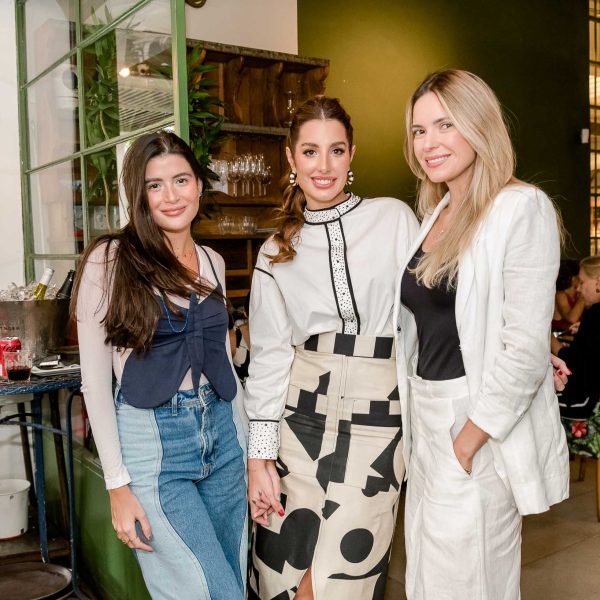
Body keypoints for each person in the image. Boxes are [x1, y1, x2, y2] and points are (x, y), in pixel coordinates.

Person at [395, 69, 570, 599]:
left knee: (472, 583)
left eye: (444, 124)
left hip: (473, 424)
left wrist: (470, 437)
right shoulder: (437, 211)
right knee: (429, 577)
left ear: (479, 124)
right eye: (419, 130)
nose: (429, 143)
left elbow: (521, 346)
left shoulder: (521, 208)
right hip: (425, 420)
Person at [244, 96, 419, 599]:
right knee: (283, 578)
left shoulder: (394, 219)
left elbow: (429, 313)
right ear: (291, 158)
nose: (324, 166)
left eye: (336, 151)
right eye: (311, 151)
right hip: (298, 425)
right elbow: (271, 360)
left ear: (352, 155)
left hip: (378, 429)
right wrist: (260, 461)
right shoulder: (275, 251)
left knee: (341, 581)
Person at [72, 131, 248, 600]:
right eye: (155, 185)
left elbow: (225, 364)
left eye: (181, 180)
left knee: (232, 576)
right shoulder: (109, 261)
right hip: (154, 445)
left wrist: (253, 452)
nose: (171, 196)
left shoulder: (212, 260)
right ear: (139, 194)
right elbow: (94, 382)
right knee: (212, 592)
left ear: (199, 186)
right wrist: (117, 487)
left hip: (224, 437)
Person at [554, 256, 600, 419]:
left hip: (588, 408)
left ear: (598, 283)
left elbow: (576, 369)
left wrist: (554, 345)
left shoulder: (595, 315)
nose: (578, 289)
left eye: (582, 282)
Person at [551, 259, 585, 332]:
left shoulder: (577, 294)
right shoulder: (560, 294)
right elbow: (572, 318)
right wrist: (583, 298)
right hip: (561, 337)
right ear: (573, 278)